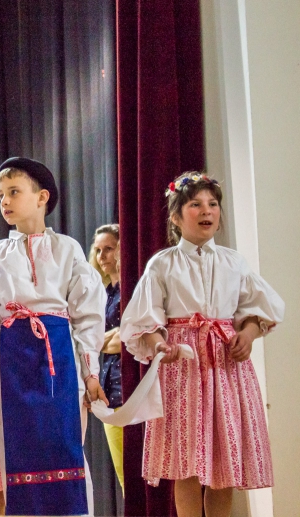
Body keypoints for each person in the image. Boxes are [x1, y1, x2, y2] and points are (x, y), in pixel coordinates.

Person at [120, 172, 284, 517]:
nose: (206, 210)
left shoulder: (233, 261)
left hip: (225, 364)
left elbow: (258, 309)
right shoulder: (162, 264)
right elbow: (144, 319)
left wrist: (248, 335)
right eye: (195, 204)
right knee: (188, 464)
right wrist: (159, 344)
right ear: (176, 217)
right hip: (185, 366)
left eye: (212, 204)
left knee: (224, 464)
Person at [0, 158, 106, 516]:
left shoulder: (67, 248)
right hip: (13, 358)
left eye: (14, 192)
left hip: (58, 357)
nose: (5, 201)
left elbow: (88, 315)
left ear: (42, 197)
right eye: (1, 194)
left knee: (64, 442)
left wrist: (91, 372)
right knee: (16, 446)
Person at [89, 223, 124, 493]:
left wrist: (98, 341)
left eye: (109, 249)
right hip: (109, 392)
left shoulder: (131, 290)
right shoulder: (104, 294)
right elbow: (98, 339)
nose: (102, 256)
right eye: (98, 250)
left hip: (132, 388)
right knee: (124, 476)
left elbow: (128, 337)